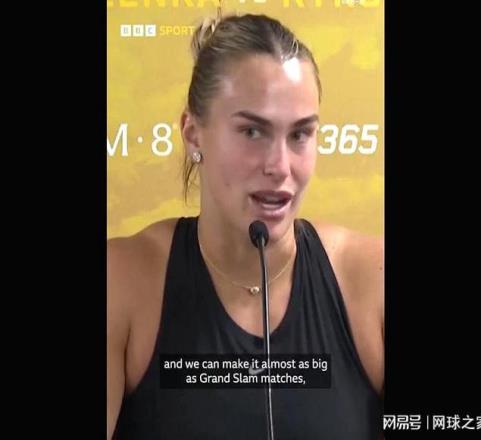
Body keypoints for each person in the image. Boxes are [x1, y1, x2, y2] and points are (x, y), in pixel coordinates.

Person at [107, 12, 384, 440]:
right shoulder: (122, 282)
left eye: (299, 135)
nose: (280, 167)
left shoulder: (372, 278)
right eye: (253, 131)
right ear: (193, 134)